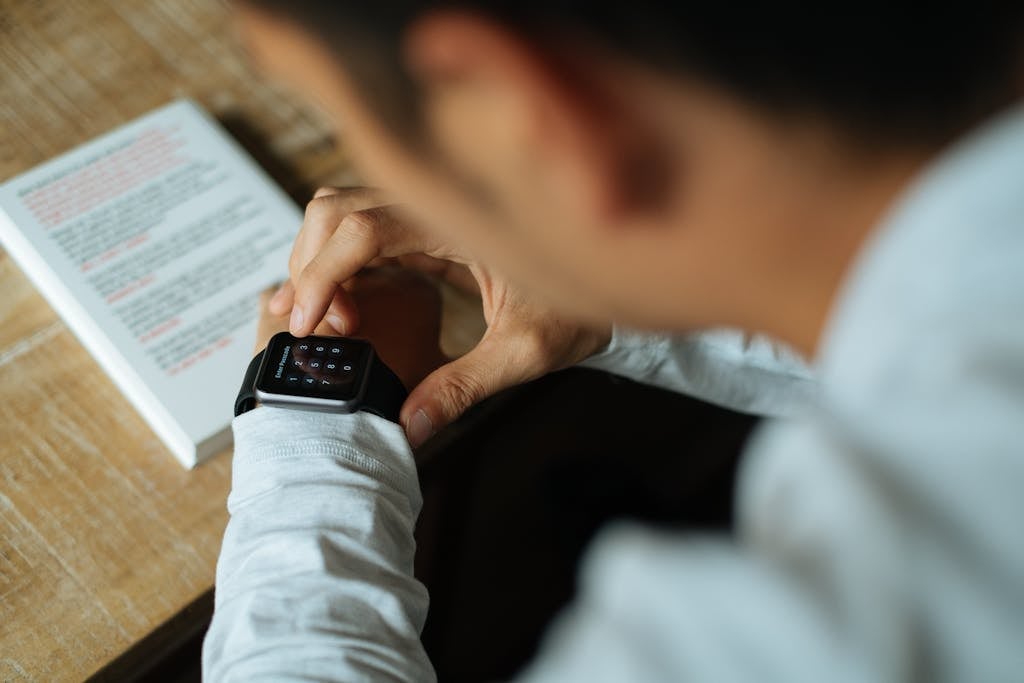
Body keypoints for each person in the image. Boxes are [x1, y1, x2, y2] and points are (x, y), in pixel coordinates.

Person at [203, 2, 1024, 681]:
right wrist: (582, 275)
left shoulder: (825, 628)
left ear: (527, 112)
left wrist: (312, 429)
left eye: (339, 114)